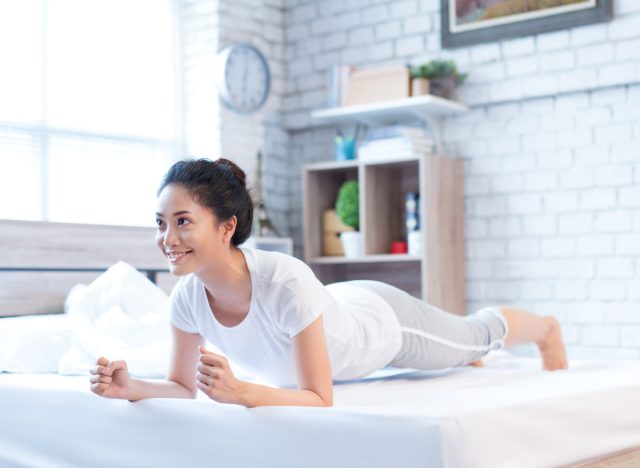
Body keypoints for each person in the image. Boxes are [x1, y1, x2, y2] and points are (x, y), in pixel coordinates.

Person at [89, 158, 568, 408]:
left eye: (182, 221)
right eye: (160, 223)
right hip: (332, 310)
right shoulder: (188, 299)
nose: (166, 238)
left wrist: (243, 393)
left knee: (474, 335)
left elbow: (319, 398)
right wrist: (132, 387)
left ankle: (545, 328)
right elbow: (181, 385)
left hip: (382, 326)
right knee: (464, 349)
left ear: (227, 226)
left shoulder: (283, 280)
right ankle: (469, 352)